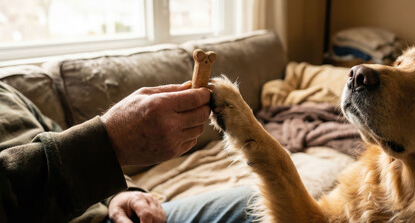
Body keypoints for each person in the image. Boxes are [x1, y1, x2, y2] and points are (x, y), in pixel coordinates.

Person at [0, 80, 254, 223]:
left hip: (116, 218)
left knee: (258, 203)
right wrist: (110, 140)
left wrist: (121, 194)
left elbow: (57, 144)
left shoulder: (8, 93)